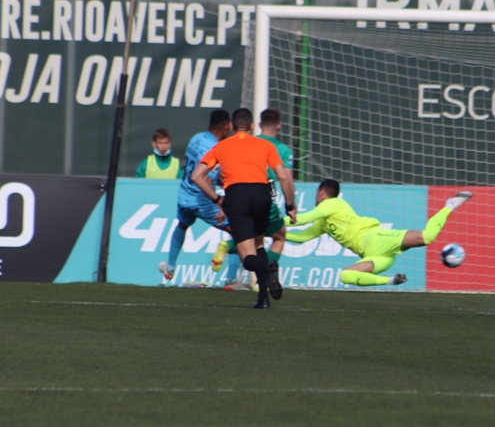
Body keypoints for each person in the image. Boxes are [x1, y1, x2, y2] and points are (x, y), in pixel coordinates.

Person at [192, 108, 296, 309]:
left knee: (248, 257)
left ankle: (267, 269)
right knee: (259, 244)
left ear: (231, 126)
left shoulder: (221, 146)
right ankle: (263, 299)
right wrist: (290, 205)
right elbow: (283, 177)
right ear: (251, 126)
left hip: (237, 196)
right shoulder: (265, 145)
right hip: (262, 195)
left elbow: (197, 176)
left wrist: (217, 199)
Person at [284, 179, 472, 287]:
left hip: (376, 239)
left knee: (427, 237)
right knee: (345, 276)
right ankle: (391, 280)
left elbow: (303, 218)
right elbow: (303, 237)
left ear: (321, 192)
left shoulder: (333, 203)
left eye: (317, 194)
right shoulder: (323, 222)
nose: (315, 197)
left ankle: (449, 206)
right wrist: (275, 233)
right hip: (375, 257)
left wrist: (273, 222)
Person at [159, 111, 232, 282]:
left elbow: (185, 163)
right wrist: (218, 201)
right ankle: (232, 279)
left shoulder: (196, 138)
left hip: (184, 195)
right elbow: (204, 179)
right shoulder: (214, 148)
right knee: (240, 231)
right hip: (202, 200)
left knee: (182, 224)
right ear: (225, 126)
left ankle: (170, 266)